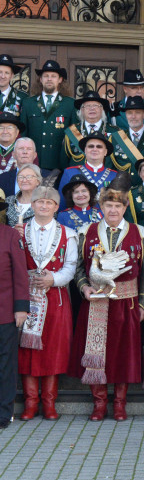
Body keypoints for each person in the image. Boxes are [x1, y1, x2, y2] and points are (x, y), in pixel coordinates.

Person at [70, 176, 144, 421]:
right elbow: (79, 268)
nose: (113, 210)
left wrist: (143, 305)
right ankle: (99, 403)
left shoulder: (141, 233)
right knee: (96, 354)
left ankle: (119, 405)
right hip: (95, 302)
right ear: (101, 208)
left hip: (126, 304)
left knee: (122, 355)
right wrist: (84, 288)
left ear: (125, 208)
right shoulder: (86, 233)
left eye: (118, 206)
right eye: (108, 206)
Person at [17, 185, 76, 421]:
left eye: (49, 203)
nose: (44, 206)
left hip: (55, 298)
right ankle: (31, 403)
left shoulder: (68, 233)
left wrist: (54, 279)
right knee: (27, 352)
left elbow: (71, 266)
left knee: (53, 350)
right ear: (32, 205)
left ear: (56, 207)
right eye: (39, 202)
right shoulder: (19, 232)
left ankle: (49, 402)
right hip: (27, 297)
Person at [0, 188, 29, 430]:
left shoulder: (10, 235)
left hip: (4, 312)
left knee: (5, 363)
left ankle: (3, 413)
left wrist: (21, 308)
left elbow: (21, 274)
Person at [21, 59, 74, 172]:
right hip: (34, 163)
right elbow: (23, 135)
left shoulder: (70, 104)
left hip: (60, 164)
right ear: (40, 79)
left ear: (60, 80)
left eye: (53, 76)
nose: (49, 79)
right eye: (46, 76)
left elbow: (73, 136)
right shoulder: (28, 103)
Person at [109, 95, 144, 183]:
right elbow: (109, 169)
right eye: (129, 113)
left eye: (137, 112)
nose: (133, 116)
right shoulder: (115, 139)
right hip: (122, 191)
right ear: (126, 115)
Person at [57, 134, 117, 207]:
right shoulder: (70, 172)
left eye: (99, 147)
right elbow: (62, 202)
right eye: (90, 146)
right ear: (85, 150)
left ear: (105, 152)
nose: (94, 149)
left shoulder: (114, 176)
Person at [62, 90, 115, 170]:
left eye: (96, 106)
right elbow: (63, 162)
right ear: (82, 110)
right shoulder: (72, 132)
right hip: (78, 180)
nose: (92, 109)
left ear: (102, 109)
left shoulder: (115, 132)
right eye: (88, 106)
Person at [0, 112, 22, 197]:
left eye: (10, 128)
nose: (5, 131)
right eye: (1, 128)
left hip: (17, 194)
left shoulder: (26, 149)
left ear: (17, 132)